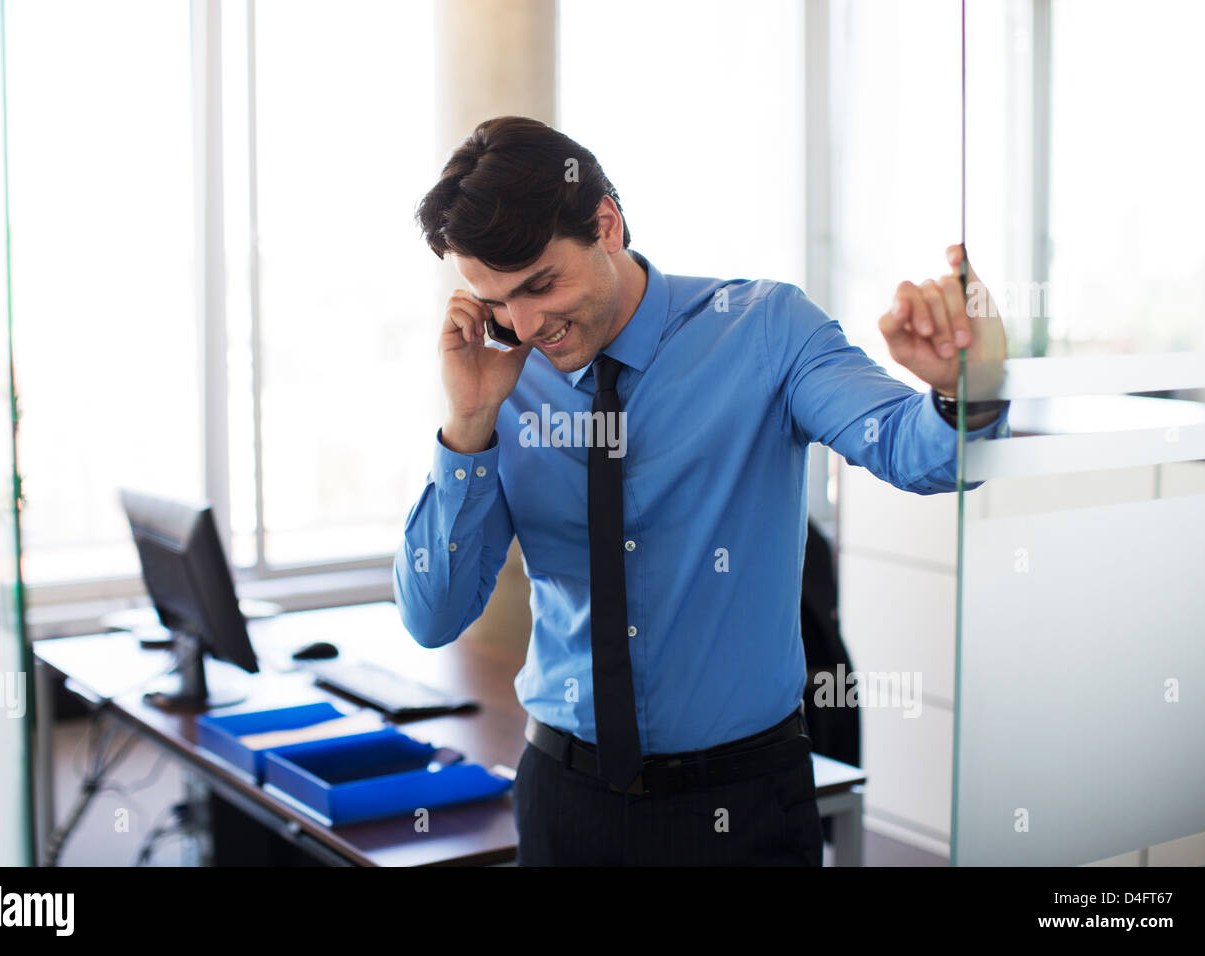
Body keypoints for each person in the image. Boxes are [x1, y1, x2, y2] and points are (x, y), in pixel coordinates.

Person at [394, 116, 1010, 866]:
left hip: (744, 806)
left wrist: (964, 396)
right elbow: (434, 616)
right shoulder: (503, 383)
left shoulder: (762, 330)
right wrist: (467, 425)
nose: (525, 325)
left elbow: (913, 452)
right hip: (565, 802)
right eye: (495, 302)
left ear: (606, 224)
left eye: (540, 285)